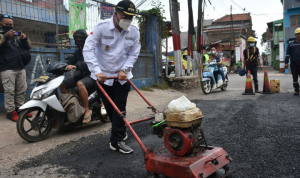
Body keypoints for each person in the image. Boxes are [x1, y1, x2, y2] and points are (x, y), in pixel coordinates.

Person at [83, 0, 140, 154]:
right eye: (125, 15)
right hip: (103, 77)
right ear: (115, 14)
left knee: (120, 108)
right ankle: (119, 130)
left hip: (122, 77)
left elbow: (133, 53)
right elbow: (88, 49)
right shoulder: (102, 28)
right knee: (110, 109)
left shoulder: (134, 31)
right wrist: (96, 71)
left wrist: (124, 69)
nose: (128, 19)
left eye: (131, 17)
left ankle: (116, 141)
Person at [59, 29, 106, 124]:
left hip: (92, 75)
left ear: (85, 38)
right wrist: (62, 65)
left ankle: (87, 110)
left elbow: (90, 62)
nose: (78, 40)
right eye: (76, 38)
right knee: (62, 84)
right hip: (80, 75)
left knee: (80, 84)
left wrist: (76, 66)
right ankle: (73, 105)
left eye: (80, 38)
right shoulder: (78, 51)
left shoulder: (91, 49)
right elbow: (71, 61)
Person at [0, 14, 32, 122]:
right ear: (1, 25)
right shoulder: (2, 36)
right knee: (9, 91)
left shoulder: (14, 38)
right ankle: (10, 112)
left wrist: (24, 39)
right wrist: (5, 36)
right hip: (7, 68)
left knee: (22, 90)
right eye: (6, 24)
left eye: (11, 25)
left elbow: (28, 47)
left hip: (20, 67)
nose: (10, 27)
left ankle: (20, 109)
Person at [285, 28, 300, 96]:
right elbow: (288, 54)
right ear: (295, 35)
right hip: (293, 64)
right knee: (295, 77)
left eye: (299, 34)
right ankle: (296, 90)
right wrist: (286, 62)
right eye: (297, 34)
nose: (298, 35)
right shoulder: (291, 44)